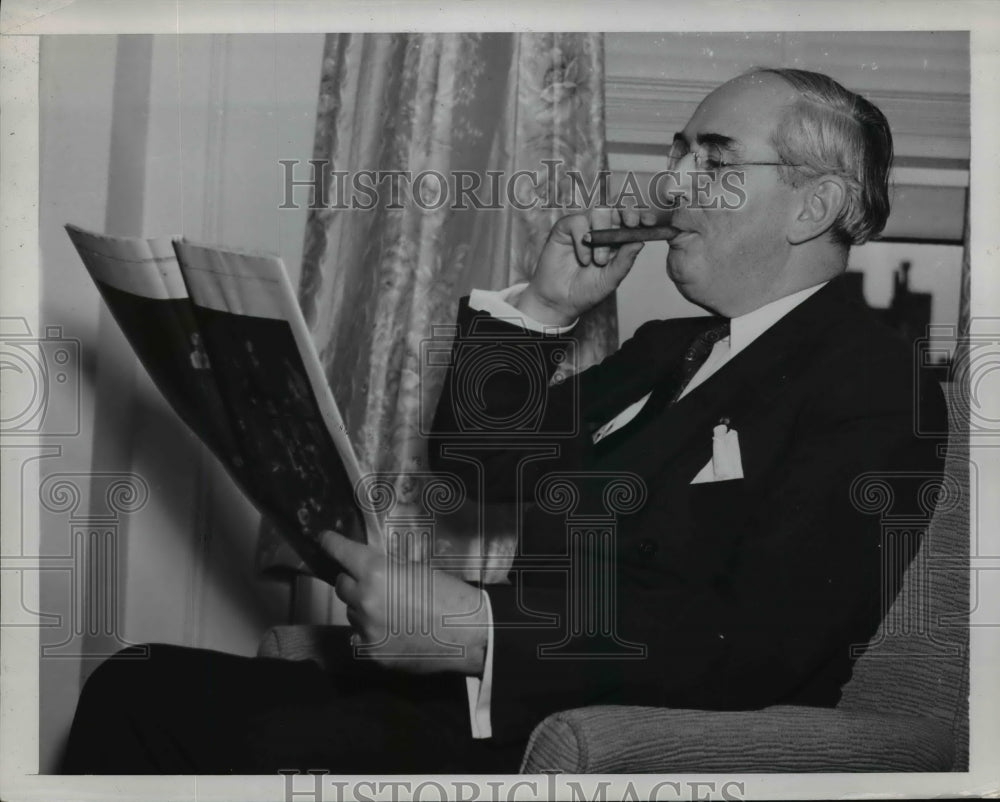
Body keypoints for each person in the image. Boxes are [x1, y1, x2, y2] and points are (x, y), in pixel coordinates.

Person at [62, 67, 947, 774]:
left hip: (605, 742)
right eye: (676, 156)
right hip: (501, 708)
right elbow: (478, 463)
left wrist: (476, 631)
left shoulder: (873, 379)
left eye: (713, 163)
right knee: (137, 682)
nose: (670, 186)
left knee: (202, 731)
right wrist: (545, 305)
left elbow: (763, 646)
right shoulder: (669, 346)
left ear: (815, 206)